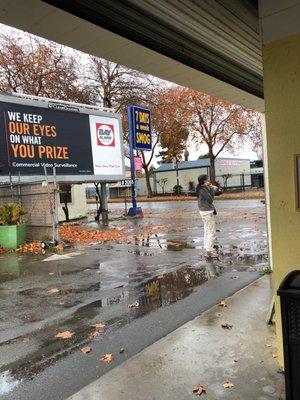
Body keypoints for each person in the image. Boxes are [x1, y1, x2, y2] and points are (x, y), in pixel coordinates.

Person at [196, 174, 218, 258]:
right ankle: (209, 250)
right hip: (207, 212)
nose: (209, 180)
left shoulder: (201, 188)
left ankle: (207, 248)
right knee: (211, 231)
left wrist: (211, 188)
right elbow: (210, 200)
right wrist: (212, 189)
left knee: (207, 230)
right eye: (208, 179)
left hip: (204, 212)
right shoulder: (203, 189)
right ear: (205, 181)